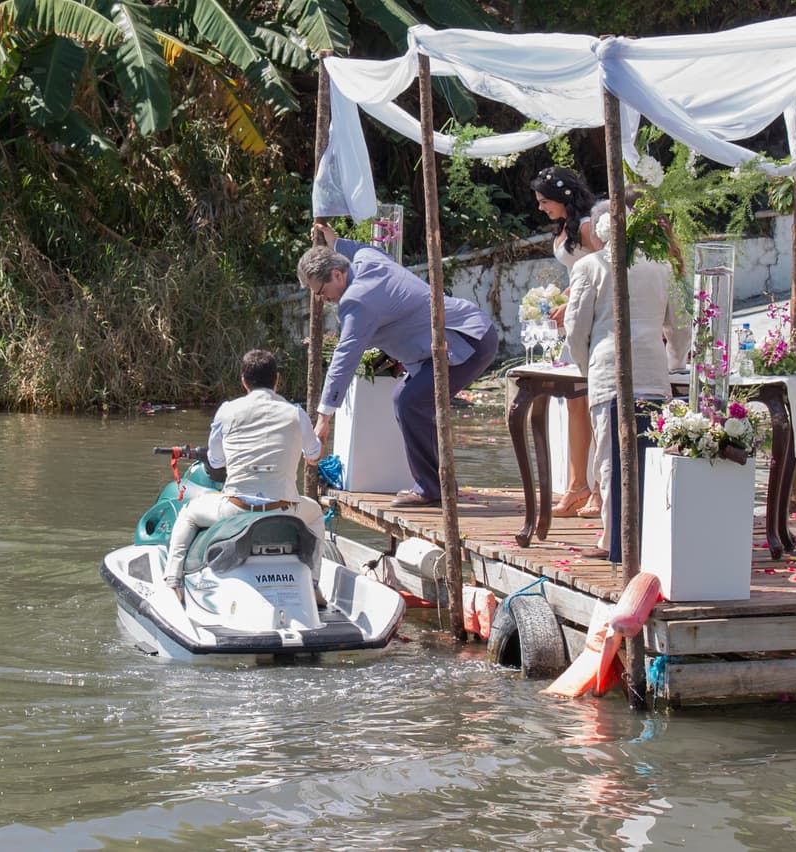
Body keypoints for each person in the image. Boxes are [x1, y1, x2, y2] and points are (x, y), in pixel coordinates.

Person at [298, 223, 499, 508]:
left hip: (466, 340)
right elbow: (360, 248)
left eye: (321, 291)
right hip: (457, 338)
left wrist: (324, 417)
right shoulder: (369, 260)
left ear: (337, 274)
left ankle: (433, 487)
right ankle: (439, 484)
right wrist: (334, 242)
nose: (322, 299)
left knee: (409, 402)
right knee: (407, 401)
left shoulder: (357, 301)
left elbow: (346, 356)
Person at [564, 201, 690, 560]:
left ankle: (613, 541)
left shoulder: (590, 266)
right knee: (650, 455)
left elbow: (576, 328)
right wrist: (674, 362)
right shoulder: (663, 267)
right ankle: (647, 537)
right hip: (652, 369)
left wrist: (584, 366)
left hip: (608, 368)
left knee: (610, 456)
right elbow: (680, 327)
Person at [164, 349, 325, 601]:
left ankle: (173, 581)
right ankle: (313, 584)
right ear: (277, 380)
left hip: (235, 509)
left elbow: (216, 460)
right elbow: (314, 455)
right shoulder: (296, 413)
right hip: (283, 509)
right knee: (315, 514)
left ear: (243, 381)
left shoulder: (227, 411)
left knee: (188, 514)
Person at [531, 166, 604, 521]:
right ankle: (578, 484)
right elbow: (580, 272)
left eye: (545, 202)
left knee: (596, 405)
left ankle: (602, 489)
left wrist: (575, 297)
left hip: (595, 323)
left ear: (564, 198)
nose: (541, 208)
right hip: (576, 320)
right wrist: (565, 295)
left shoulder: (588, 226)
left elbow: (605, 268)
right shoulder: (564, 228)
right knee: (575, 402)